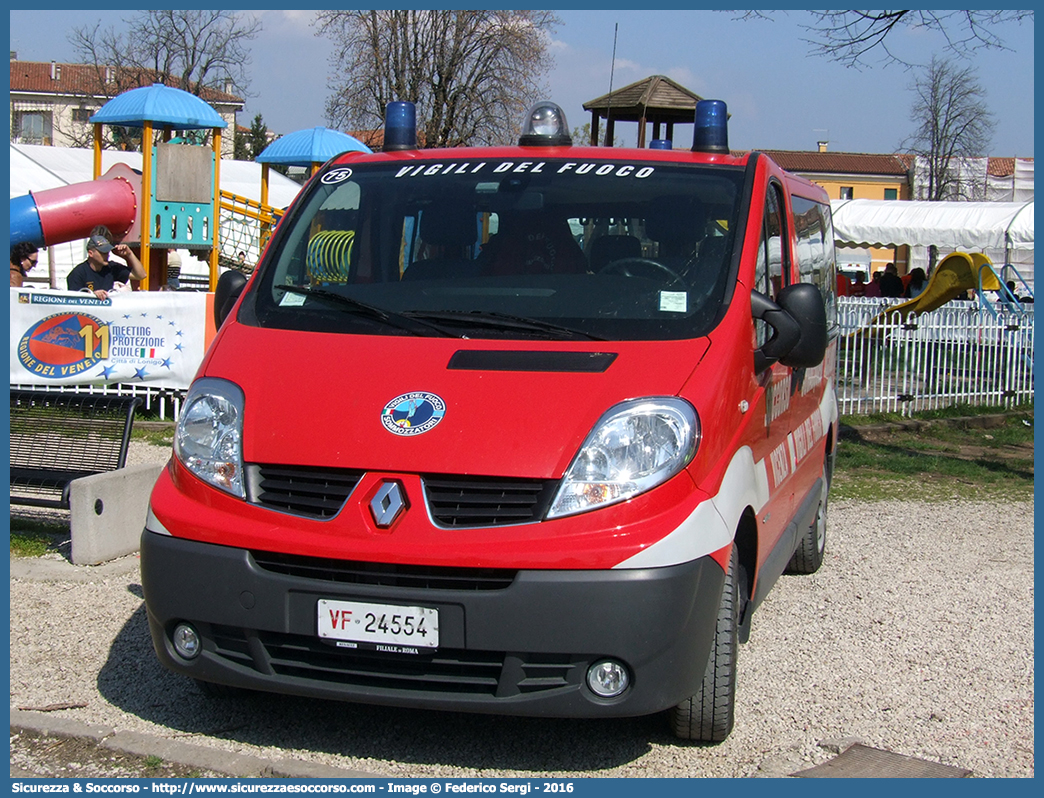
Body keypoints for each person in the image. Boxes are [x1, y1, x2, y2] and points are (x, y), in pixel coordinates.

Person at [67, 230, 145, 299]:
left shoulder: (111, 268)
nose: (107, 255)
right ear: (91, 253)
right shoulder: (78, 273)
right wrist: (93, 295)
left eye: (107, 251)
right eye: (103, 252)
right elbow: (74, 302)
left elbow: (141, 275)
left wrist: (129, 254)